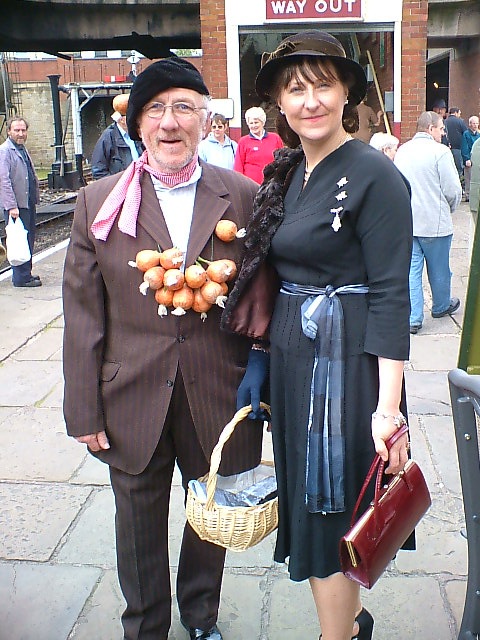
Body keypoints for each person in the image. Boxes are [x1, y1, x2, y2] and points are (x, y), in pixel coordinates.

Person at [62, 57, 264, 640]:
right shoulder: (99, 202)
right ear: (137, 125)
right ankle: (145, 625)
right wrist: (83, 408)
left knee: (211, 522)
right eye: (155, 109)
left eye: (183, 107)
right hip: (130, 394)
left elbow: (263, 294)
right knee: (137, 524)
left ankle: (200, 617)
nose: (169, 123)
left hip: (217, 392)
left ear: (205, 119)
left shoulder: (243, 196)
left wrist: (264, 379)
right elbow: (82, 314)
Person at [222, 30, 413, 640]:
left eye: (323, 85)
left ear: (346, 93)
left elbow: (390, 293)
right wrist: (262, 358)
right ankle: (351, 626)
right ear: (279, 100)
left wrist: (389, 412)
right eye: (295, 88)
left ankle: (340, 634)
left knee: (335, 512)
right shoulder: (291, 173)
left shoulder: (373, 175)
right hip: (300, 369)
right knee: (311, 504)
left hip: (351, 372)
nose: (310, 101)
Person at [394, 111, 462, 334]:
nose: (443, 133)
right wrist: (450, 208)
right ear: (430, 128)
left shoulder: (402, 151)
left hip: (408, 222)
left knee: (411, 271)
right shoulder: (440, 152)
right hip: (435, 222)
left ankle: (413, 317)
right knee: (439, 269)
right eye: (441, 129)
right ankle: (441, 305)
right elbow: (452, 190)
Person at [0, 116, 41, 287]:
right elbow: (3, 180)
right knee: (19, 240)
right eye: (16, 130)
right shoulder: (5, 151)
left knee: (27, 238)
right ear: (9, 131)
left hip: (27, 202)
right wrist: (11, 206)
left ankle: (26, 273)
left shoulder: (21, 148)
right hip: (16, 205)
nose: (20, 133)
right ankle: (21, 278)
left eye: (23, 130)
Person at [91, 96, 144, 179]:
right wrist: (118, 186)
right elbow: (98, 171)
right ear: (121, 119)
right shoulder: (108, 137)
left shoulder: (140, 133)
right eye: (132, 117)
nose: (136, 120)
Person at [233, 106, 283, 183]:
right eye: (251, 123)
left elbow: (282, 161)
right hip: (251, 185)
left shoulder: (275, 138)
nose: (253, 126)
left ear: (262, 122)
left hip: (272, 184)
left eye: (256, 122)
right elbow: (238, 167)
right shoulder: (243, 141)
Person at [461, 115, 480, 202]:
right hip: (470, 158)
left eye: (477, 123)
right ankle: (468, 195)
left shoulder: (479, 135)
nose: (475, 125)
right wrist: (466, 159)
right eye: (474, 123)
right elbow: (464, 147)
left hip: (478, 159)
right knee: (468, 177)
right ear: (470, 124)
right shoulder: (466, 134)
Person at [444, 107, 467, 178]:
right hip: (458, 148)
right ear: (456, 113)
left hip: (446, 148)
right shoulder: (460, 121)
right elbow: (465, 133)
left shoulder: (444, 121)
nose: (460, 115)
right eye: (459, 113)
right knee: (458, 169)